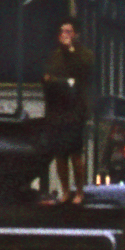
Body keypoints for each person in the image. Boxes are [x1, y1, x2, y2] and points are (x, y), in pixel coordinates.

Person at [39, 23, 95, 204]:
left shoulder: (84, 55)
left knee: (75, 154)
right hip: (57, 111)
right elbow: (47, 79)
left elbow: (83, 74)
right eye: (62, 31)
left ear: (76, 34)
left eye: (69, 31)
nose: (65, 35)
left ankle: (79, 190)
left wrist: (71, 51)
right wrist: (64, 82)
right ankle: (65, 191)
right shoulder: (55, 56)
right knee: (60, 154)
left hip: (74, 111)